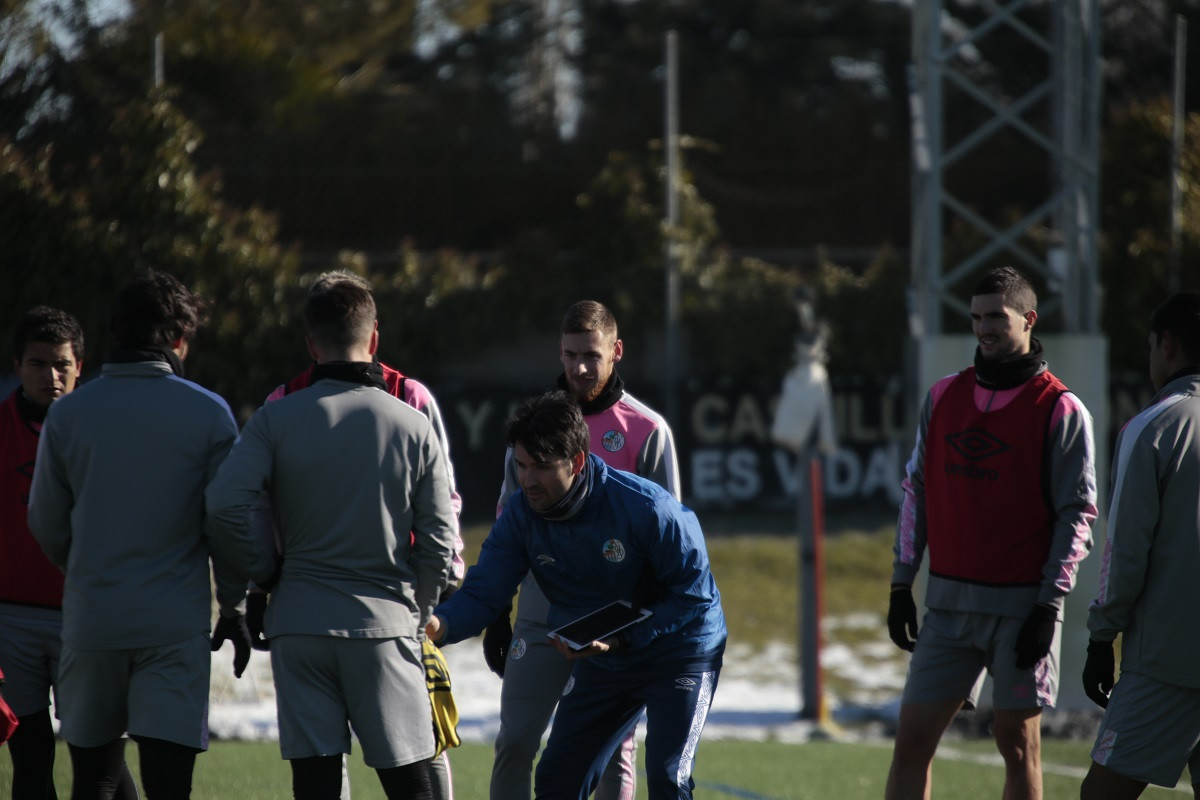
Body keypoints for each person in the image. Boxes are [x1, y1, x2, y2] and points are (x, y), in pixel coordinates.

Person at [205, 273, 458, 800]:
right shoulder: (413, 423)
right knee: (413, 785)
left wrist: (264, 572)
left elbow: (225, 504)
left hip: (299, 624)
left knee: (317, 785)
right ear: (374, 339)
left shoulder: (275, 417)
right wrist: (419, 606)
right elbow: (440, 535)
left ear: (310, 344)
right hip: (384, 625)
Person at [27, 272, 267, 799]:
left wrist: (84, 568)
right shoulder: (208, 413)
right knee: (167, 784)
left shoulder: (68, 414)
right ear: (179, 338)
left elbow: (44, 520)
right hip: (172, 625)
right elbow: (227, 522)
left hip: (93, 617)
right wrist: (231, 605)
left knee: (94, 780)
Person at [428, 391, 725, 799]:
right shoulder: (521, 514)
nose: (528, 481)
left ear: (578, 461)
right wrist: (438, 624)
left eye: (542, 468)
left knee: (667, 778)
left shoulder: (649, 509)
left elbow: (693, 597)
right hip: (606, 658)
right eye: (521, 466)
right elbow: (485, 588)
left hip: (681, 650)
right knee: (558, 780)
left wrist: (624, 638)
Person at [884, 266, 1097, 800]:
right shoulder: (942, 397)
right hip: (948, 609)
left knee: (1017, 742)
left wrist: (1049, 606)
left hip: (1024, 609)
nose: (983, 328)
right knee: (911, 740)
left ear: (1028, 319)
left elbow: (1079, 513)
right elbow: (918, 492)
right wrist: (900, 582)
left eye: (996, 317)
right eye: (976, 317)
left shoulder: (1062, 408)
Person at [483, 299, 680, 800]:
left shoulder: (648, 430)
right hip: (540, 611)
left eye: (591, 355)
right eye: (570, 355)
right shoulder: (530, 429)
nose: (580, 367)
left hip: (614, 620)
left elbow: (671, 543)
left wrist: (649, 626)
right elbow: (509, 526)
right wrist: (496, 611)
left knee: (615, 754)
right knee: (515, 741)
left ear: (617, 352)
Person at [0, 307, 139, 800]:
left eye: (62, 364)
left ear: (81, 364)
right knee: (30, 755)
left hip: (88, 614)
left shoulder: (105, 429)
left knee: (101, 757)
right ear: (17, 365)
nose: (52, 376)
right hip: (12, 619)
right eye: (38, 364)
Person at [1080, 293, 1200, 799]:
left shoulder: (1154, 425)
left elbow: (1124, 551)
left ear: (1166, 345)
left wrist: (1100, 638)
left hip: (1166, 661)